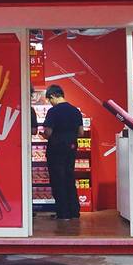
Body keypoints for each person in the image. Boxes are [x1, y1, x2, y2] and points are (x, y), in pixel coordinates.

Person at [42, 84, 84, 220]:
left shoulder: (53, 112)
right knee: (69, 177)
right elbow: (81, 132)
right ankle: (74, 211)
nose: (50, 102)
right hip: (71, 147)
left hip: (56, 148)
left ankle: (63, 213)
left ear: (53, 96)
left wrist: (44, 135)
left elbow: (48, 132)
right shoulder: (75, 111)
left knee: (57, 179)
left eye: (49, 100)